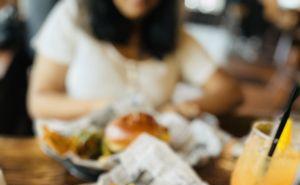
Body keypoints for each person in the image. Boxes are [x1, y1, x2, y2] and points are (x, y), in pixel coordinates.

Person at [28, 0, 243, 121]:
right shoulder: (73, 15)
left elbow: (230, 91)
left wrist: (183, 107)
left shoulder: (175, 37)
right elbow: (39, 102)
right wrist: (107, 107)